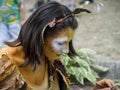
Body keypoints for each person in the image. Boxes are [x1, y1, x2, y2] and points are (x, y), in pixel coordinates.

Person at [0, 1, 116, 90]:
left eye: (68, 43)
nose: (65, 50)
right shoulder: (6, 65)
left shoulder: (52, 62)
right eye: (60, 43)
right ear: (40, 35)